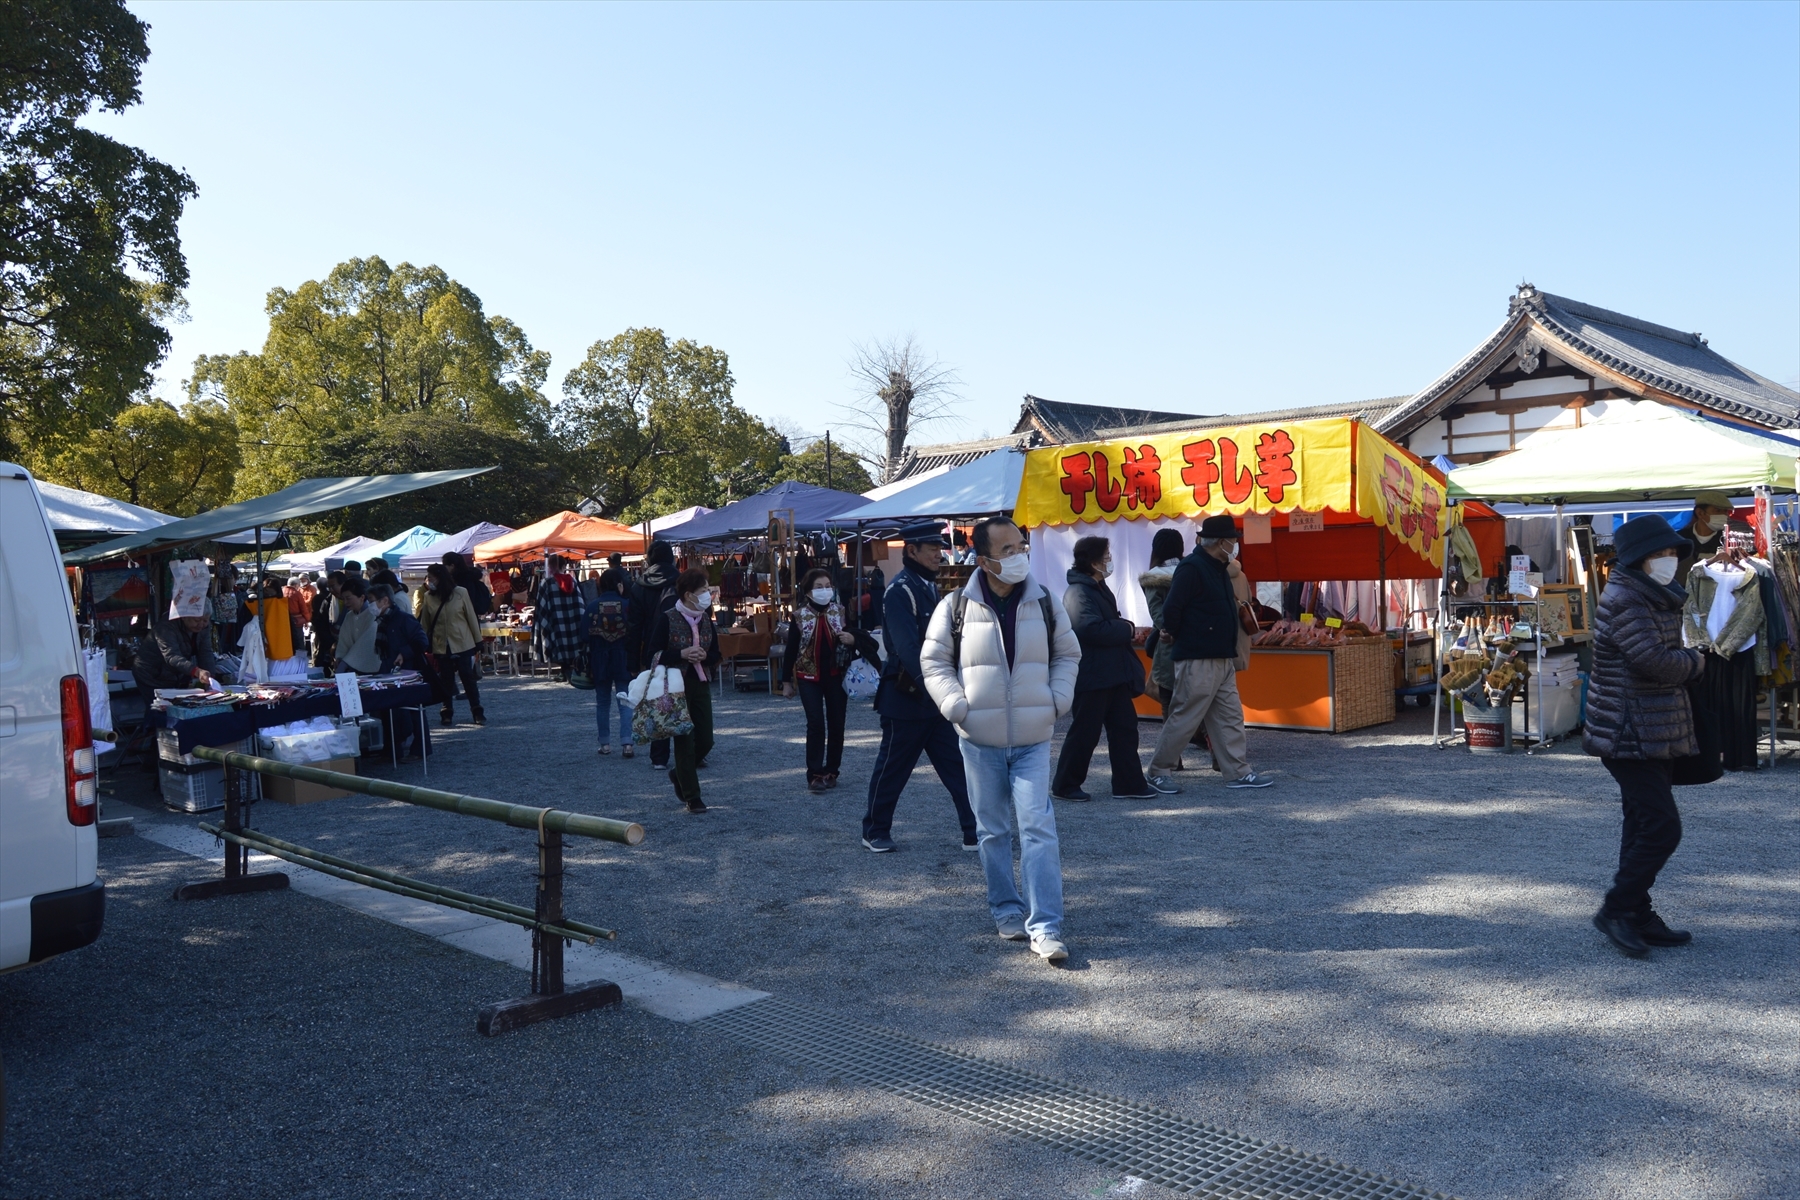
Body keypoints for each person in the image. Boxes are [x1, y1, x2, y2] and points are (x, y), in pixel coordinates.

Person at [919, 517, 1080, 964]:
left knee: (1038, 830)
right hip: (978, 739)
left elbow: (1068, 653)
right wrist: (957, 706)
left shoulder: (1045, 600)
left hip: (1032, 736)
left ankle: (1046, 926)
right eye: (1008, 550)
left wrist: (1057, 698)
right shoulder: (955, 605)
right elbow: (933, 661)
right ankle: (1005, 908)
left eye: (1021, 546)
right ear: (984, 558)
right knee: (991, 831)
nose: (1019, 555)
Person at [1583, 515, 1706, 959]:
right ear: (1638, 559)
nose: (1669, 560)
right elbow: (1653, 661)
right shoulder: (1626, 598)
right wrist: (1698, 661)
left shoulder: (1654, 594)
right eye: (1660, 553)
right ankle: (1616, 909)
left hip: (1649, 728)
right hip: (1627, 730)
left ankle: (1637, 912)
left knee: (1640, 823)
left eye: (1672, 552)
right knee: (1661, 827)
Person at [861, 522, 978, 853]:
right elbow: (909, 649)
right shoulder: (901, 590)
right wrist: (939, 687)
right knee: (893, 769)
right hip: (906, 695)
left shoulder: (925, 585)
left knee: (957, 765)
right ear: (911, 550)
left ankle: (974, 830)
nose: (939, 556)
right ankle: (874, 829)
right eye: (932, 550)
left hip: (933, 696)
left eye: (939, 550)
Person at [1146, 515, 1272, 793]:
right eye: (1232, 540)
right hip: (1198, 657)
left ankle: (1238, 771)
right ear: (1220, 542)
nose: (1235, 545)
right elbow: (1171, 611)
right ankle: (1158, 771)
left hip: (1219, 656)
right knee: (1185, 717)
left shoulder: (1216, 566)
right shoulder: (1192, 568)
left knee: (1229, 716)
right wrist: (1173, 632)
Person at [1052, 536, 1155, 801]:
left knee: (1125, 729)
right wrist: (1127, 629)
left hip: (1112, 672)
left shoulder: (1096, 586)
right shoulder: (1078, 592)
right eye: (1107, 555)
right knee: (1085, 733)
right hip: (1093, 674)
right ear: (1094, 560)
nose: (1110, 560)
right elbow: (1088, 628)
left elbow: (1103, 623)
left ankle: (1129, 783)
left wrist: (1125, 627)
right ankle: (1065, 785)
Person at [646, 568, 719, 813]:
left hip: (700, 682)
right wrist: (681, 654)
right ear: (689, 594)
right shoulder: (668, 618)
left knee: (706, 740)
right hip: (675, 685)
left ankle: (679, 772)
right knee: (684, 740)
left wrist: (705, 656)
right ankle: (692, 796)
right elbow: (652, 654)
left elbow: (717, 654)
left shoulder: (707, 618)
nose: (708, 595)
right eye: (704, 591)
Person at [780, 568, 858, 792]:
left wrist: (852, 638)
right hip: (808, 676)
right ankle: (814, 773)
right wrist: (786, 681)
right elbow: (791, 650)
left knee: (837, 724)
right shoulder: (799, 616)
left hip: (836, 675)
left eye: (827, 586)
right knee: (815, 724)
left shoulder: (840, 611)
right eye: (819, 587)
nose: (825, 590)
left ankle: (832, 770)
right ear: (808, 591)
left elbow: (854, 635)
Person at [417, 562, 486, 726]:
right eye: (428, 578)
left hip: (463, 642)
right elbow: (425, 623)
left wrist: (478, 640)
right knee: (446, 680)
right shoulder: (428, 597)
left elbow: (471, 617)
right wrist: (421, 643)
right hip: (441, 644)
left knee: (467, 679)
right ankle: (446, 712)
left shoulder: (461, 593)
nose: (428, 581)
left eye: (431, 578)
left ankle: (477, 711)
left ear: (440, 578)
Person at [370, 584, 433, 760]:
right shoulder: (383, 621)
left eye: (372, 601)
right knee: (390, 710)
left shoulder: (403, 619)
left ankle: (420, 749)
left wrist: (403, 653)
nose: (370, 606)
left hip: (408, 671)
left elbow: (422, 641)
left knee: (414, 710)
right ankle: (393, 750)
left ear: (385, 601)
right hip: (390, 670)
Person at [633, 541, 681, 770]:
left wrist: (633, 659)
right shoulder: (681, 581)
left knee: (657, 700)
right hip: (680, 646)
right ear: (672, 558)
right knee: (683, 698)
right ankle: (689, 752)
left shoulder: (639, 585)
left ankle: (659, 756)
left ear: (650, 559)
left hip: (649, 648)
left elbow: (632, 625)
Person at [585, 567, 641, 758]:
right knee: (625, 700)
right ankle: (627, 743)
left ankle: (605, 743)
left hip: (599, 658)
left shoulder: (592, 606)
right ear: (619, 584)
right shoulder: (627, 605)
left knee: (602, 702)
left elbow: (583, 636)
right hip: (623, 657)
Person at [132, 614, 223, 694]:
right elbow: (172, 656)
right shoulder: (166, 626)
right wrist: (197, 671)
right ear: (184, 617)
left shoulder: (204, 627)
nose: (201, 624)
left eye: (205, 620)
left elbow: (205, 651)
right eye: (197, 620)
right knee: (157, 707)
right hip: (151, 673)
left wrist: (210, 677)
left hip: (173, 674)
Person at [1674, 491, 1734, 581]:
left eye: (1725, 511)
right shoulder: (1679, 539)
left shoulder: (1729, 541)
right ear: (1700, 513)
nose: (1724, 515)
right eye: (1718, 511)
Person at [333, 577, 381, 674]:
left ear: (362, 597)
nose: (346, 602)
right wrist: (340, 656)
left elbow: (365, 644)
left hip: (371, 668)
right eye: (343, 599)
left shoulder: (373, 615)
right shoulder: (349, 615)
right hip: (350, 667)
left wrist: (346, 662)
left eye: (348, 598)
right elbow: (344, 640)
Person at [312, 571, 343, 668]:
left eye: (333, 586)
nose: (331, 590)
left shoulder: (355, 600)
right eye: (328, 587)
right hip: (329, 647)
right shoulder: (327, 601)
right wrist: (332, 644)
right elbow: (320, 624)